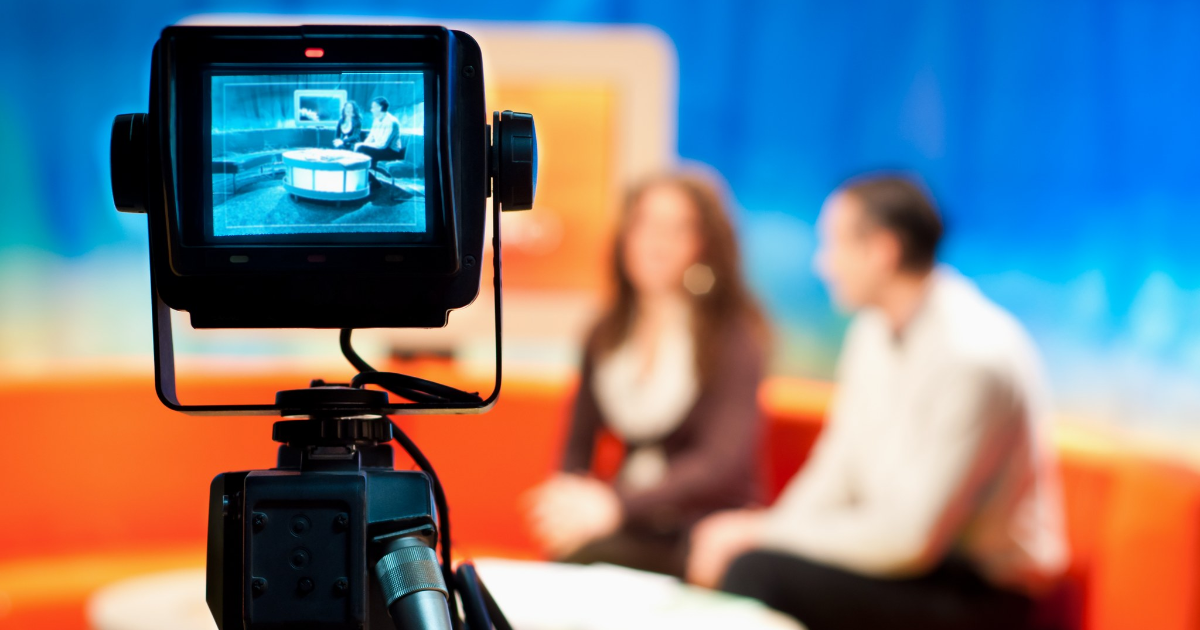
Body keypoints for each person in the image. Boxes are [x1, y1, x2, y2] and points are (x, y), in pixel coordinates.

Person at [687, 174, 1068, 630]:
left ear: (882, 250)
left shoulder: (973, 355)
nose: (824, 264)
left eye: (835, 245)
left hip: (981, 589)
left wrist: (764, 534)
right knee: (748, 559)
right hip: (916, 569)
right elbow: (837, 467)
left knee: (758, 573)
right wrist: (764, 535)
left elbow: (910, 541)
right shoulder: (873, 331)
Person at [524, 169, 769, 578]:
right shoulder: (605, 332)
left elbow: (720, 462)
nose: (657, 243)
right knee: (569, 560)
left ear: (703, 244)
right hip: (630, 518)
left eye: (677, 229)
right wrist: (567, 502)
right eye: (645, 225)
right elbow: (576, 445)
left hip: (702, 525)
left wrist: (615, 505)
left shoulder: (733, 335)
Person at [354, 97, 403, 165]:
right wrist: (362, 144)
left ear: (379, 108)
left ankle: (365, 173)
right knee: (360, 147)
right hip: (381, 149)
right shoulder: (376, 120)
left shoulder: (392, 122)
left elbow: (383, 145)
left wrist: (363, 146)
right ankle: (362, 172)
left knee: (362, 149)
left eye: (373, 107)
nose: (371, 110)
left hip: (391, 152)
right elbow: (371, 137)